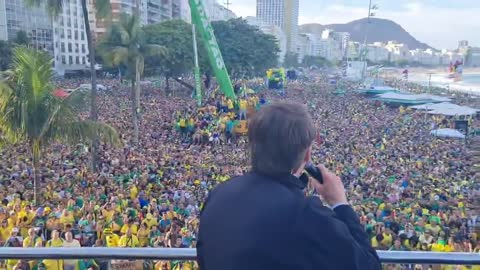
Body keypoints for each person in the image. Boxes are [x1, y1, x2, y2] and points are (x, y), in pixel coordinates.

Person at [197, 102, 381, 270]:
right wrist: (340, 204)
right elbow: (369, 265)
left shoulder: (218, 194)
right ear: (307, 155)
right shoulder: (306, 214)